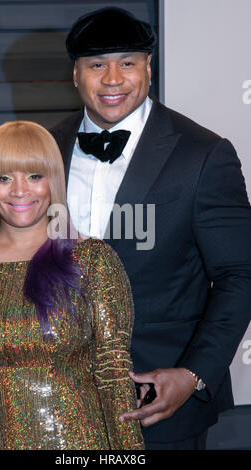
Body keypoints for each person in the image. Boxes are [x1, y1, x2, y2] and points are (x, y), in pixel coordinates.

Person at [51, 7, 251, 450]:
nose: (112, 79)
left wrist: (192, 374)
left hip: (158, 403)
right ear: (75, 75)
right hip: (56, 403)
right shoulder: (46, 148)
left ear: (149, 68)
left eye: (127, 63)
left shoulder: (203, 155)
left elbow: (241, 275)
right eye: (96, 65)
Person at [0, 120, 144, 450]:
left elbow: (114, 378)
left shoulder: (92, 261)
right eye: (4, 178)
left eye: (35, 176)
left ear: (53, 180)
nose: (20, 190)